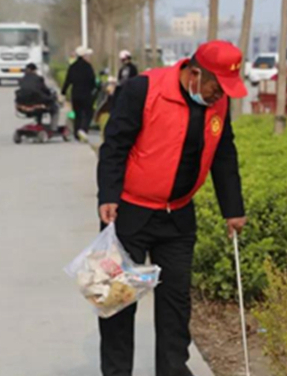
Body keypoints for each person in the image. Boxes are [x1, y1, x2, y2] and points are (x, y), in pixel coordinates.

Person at [97, 40, 248, 376]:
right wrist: (107, 195)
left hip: (178, 216)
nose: (219, 95)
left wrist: (232, 209)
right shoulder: (144, 89)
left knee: (175, 305)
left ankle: (173, 371)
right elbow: (115, 144)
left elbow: (224, 155)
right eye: (215, 87)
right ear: (194, 73)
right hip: (128, 214)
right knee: (117, 303)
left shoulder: (217, 104)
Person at [62, 46, 96, 142]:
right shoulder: (88, 67)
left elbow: (67, 81)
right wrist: (93, 89)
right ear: (84, 55)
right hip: (86, 94)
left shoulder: (72, 67)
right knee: (89, 112)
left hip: (75, 94)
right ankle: (83, 129)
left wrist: (63, 92)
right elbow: (92, 81)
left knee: (77, 114)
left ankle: (77, 133)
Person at [15, 63, 60, 132]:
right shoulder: (38, 79)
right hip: (37, 105)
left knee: (38, 102)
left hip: (23, 106)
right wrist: (52, 97)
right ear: (34, 70)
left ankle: (39, 123)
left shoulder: (22, 80)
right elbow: (46, 91)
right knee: (54, 107)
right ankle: (53, 128)